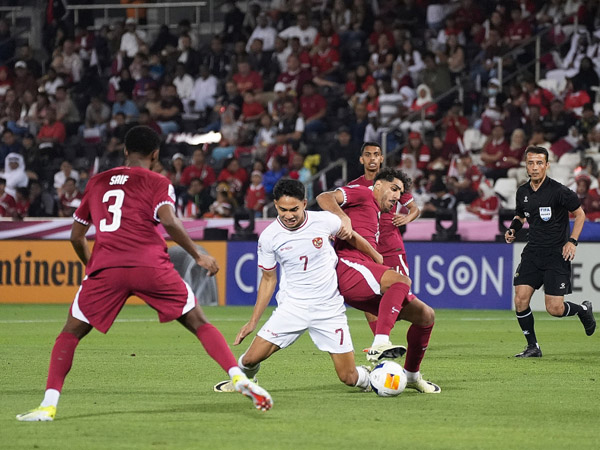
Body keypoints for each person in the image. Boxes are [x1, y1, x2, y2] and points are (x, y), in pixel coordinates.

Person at [16, 126, 272, 422]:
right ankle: (237, 377)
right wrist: (197, 254)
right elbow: (170, 222)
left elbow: (76, 236)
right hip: (150, 264)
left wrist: (93, 266)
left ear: (125, 151)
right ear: (155, 154)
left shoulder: (97, 182)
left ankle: (48, 406)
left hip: (107, 265)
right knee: (198, 322)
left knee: (70, 333)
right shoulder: (158, 181)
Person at [213, 179, 376, 394]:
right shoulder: (269, 237)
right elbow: (269, 279)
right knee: (249, 360)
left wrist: (377, 258)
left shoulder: (325, 221)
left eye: (294, 209)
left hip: (328, 309)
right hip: (292, 308)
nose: (288, 215)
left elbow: (352, 237)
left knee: (349, 377)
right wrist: (253, 321)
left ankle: (374, 378)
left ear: (305, 203)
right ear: (275, 205)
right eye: (282, 209)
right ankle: (243, 382)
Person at [317, 168, 440, 393]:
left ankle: (412, 376)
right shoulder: (362, 193)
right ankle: (380, 342)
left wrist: (376, 256)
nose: (396, 197)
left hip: (365, 268)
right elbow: (324, 197)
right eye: (393, 189)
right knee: (400, 280)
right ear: (379, 185)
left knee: (425, 316)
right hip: (349, 266)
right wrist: (341, 216)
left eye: (400, 193)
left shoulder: (376, 212)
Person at [505, 146, 596, 358]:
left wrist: (572, 241)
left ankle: (583, 310)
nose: (534, 167)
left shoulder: (559, 191)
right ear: (526, 166)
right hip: (533, 252)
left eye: (539, 163)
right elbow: (521, 216)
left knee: (554, 308)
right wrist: (512, 229)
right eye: (530, 163)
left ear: (547, 165)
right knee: (520, 299)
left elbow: (580, 215)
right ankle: (533, 347)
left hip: (556, 254)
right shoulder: (523, 192)